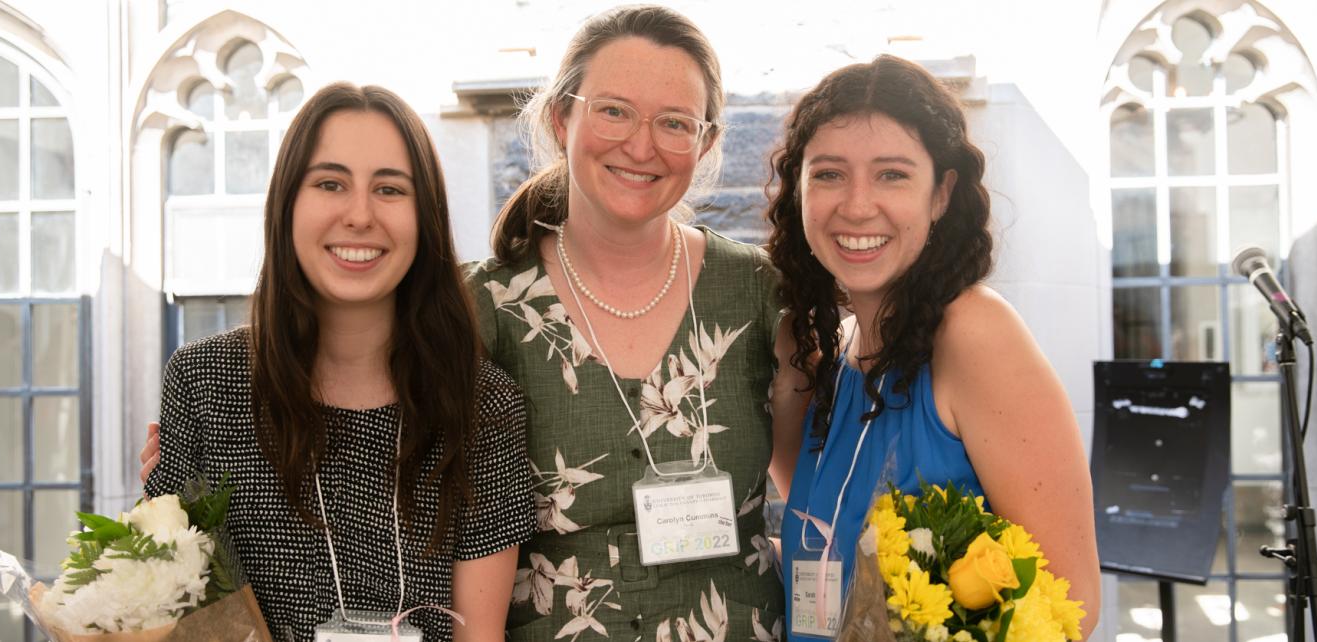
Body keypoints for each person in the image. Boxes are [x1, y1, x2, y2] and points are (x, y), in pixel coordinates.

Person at [142, 83, 535, 642]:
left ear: (425, 216)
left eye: (390, 190)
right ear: (288, 204)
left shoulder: (481, 403)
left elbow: (479, 635)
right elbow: (178, 608)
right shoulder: (205, 383)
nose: (359, 215)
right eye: (330, 183)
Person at [464, 5, 805, 640]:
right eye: (614, 110)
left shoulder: (758, 291)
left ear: (705, 143)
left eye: (675, 122)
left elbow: (812, 494)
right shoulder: (485, 308)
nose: (640, 146)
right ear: (563, 117)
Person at [766, 55, 1100, 640]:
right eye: (828, 174)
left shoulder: (974, 333)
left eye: (892, 174)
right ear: (799, 191)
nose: (857, 205)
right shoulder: (831, 356)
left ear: (941, 194)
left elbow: (1070, 604)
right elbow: (824, 550)